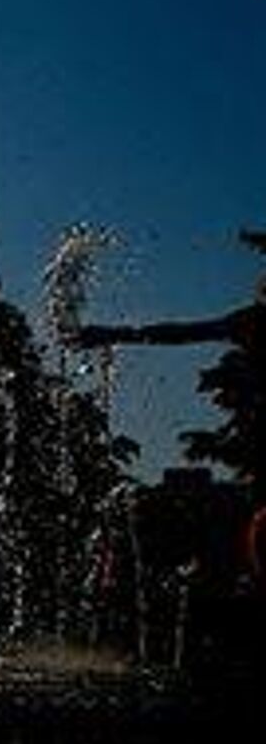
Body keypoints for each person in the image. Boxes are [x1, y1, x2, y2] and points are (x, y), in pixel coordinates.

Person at [71, 231, 266, 583]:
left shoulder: (252, 321)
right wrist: (116, 335)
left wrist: (115, 335)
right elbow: (180, 333)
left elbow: (182, 333)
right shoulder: (252, 322)